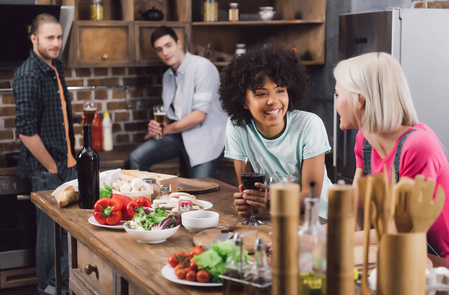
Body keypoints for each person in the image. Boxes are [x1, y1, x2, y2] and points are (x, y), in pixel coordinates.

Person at [334, 52, 449, 258]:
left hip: (438, 265)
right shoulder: (364, 141)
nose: (335, 104)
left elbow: (399, 230)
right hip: (401, 254)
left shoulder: (418, 146)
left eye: (337, 94)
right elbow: (355, 218)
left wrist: (322, 238)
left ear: (359, 100)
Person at [219, 42, 333, 219]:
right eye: (261, 94)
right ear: (243, 101)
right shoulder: (237, 126)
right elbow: (249, 190)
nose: (273, 101)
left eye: (280, 90)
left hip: (319, 219)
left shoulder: (310, 125)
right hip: (275, 217)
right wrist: (249, 204)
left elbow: (311, 197)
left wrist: (273, 202)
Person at [13, 13, 76, 295]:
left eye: (59, 37)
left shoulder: (55, 66)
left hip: (68, 163)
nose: (56, 43)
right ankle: (48, 293)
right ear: (34, 39)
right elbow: (25, 131)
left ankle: (59, 289)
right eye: (49, 38)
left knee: (73, 233)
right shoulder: (28, 74)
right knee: (50, 236)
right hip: (46, 168)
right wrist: (52, 166)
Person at [128, 26, 228, 178]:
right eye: (159, 49)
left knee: (202, 192)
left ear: (179, 43)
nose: (165, 53)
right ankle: (148, 197)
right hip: (179, 135)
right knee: (136, 158)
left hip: (204, 138)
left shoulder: (202, 67)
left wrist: (165, 130)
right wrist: (157, 127)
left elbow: (199, 116)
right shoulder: (167, 76)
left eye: (168, 45)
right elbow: (172, 113)